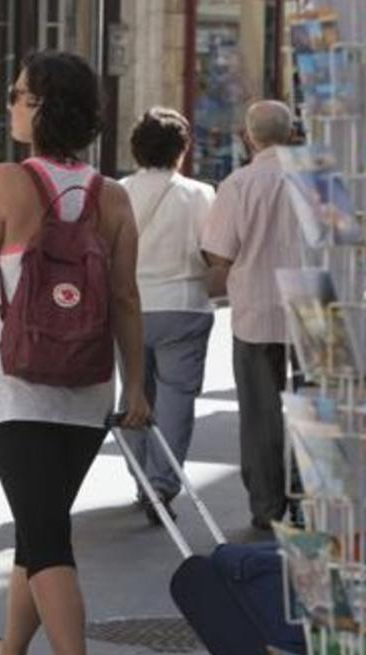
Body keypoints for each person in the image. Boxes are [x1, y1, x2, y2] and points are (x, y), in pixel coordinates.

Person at [0, 51, 150, 655]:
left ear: (44, 107)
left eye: (19, 94)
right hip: (86, 388)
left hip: (15, 385)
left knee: (46, 531)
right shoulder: (114, 197)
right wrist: (135, 385)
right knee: (38, 521)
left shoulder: (6, 181)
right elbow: (128, 299)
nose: (11, 104)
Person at [201, 100, 303, 540]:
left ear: (249, 136)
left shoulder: (239, 184)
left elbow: (220, 253)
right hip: (313, 312)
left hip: (257, 312)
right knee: (311, 410)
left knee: (260, 414)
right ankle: (306, 497)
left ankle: (267, 506)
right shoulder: (318, 182)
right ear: (293, 135)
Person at [116, 107, 216, 525]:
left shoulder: (118, 190)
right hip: (184, 306)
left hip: (130, 307)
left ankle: (141, 479)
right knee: (177, 401)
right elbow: (213, 251)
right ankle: (162, 483)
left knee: (135, 392)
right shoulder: (199, 194)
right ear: (182, 149)